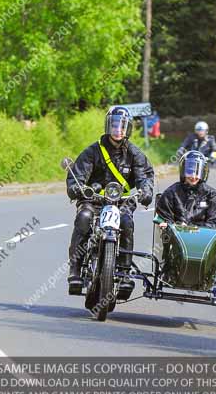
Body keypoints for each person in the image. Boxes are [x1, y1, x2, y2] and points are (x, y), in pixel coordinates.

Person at [66, 105, 154, 291]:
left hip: (121, 203)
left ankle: (124, 273)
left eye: (122, 126)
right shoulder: (93, 151)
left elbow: (145, 176)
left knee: (127, 223)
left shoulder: (134, 153)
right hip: (93, 200)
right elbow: (78, 174)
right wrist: (77, 187)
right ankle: (75, 269)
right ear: (108, 126)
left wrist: (146, 191)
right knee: (84, 218)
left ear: (128, 128)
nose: (118, 129)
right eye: (115, 125)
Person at [156, 150, 216, 228]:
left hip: (204, 238)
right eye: (190, 171)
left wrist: (193, 228)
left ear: (203, 173)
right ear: (183, 171)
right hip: (176, 238)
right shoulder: (171, 192)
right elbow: (164, 217)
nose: (193, 176)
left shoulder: (212, 194)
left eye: (197, 172)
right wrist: (174, 226)